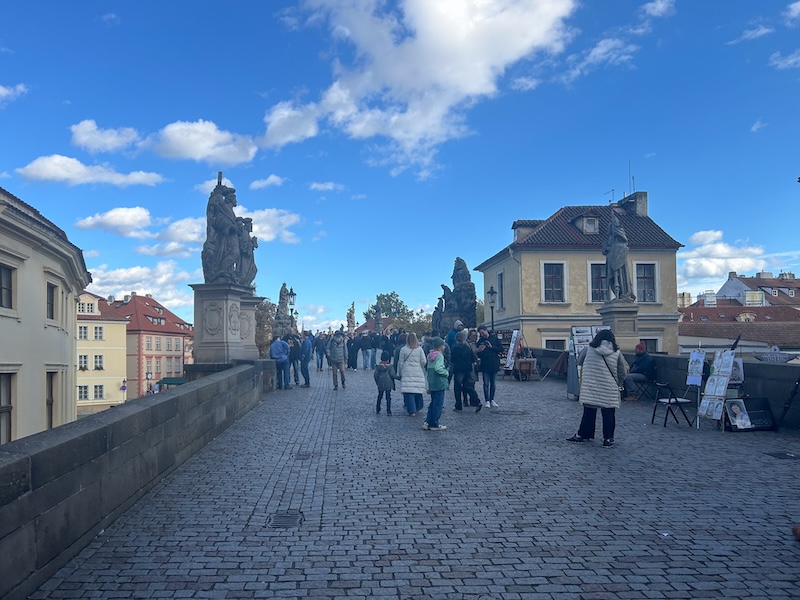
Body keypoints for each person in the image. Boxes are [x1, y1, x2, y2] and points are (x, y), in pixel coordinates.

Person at [567, 329, 628, 448]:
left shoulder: (588, 349)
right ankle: (608, 438)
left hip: (591, 386)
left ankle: (584, 434)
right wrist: (618, 381)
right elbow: (623, 372)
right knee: (608, 413)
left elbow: (579, 362)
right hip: (609, 387)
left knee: (589, 412)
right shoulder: (616, 353)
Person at [397, 332, 427, 416]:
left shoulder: (403, 349)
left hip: (407, 371)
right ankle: (418, 406)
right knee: (417, 390)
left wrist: (400, 373)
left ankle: (412, 410)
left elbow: (400, 363)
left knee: (409, 391)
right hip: (417, 371)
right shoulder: (419, 349)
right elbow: (424, 361)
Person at [451, 331, 482, 412]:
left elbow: (452, 360)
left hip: (458, 370)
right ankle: (477, 401)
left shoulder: (454, 349)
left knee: (457, 388)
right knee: (468, 387)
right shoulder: (468, 348)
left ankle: (458, 405)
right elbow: (473, 358)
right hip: (468, 369)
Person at [423, 337, 449, 431]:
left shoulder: (430, 356)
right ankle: (434, 423)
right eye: (443, 345)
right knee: (438, 404)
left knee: (433, 403)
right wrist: (446, 373)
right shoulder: (439, 356)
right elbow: (438, 368)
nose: (444, 347)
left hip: (432, 382)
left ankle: (427, 421)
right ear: (440, 346)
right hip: (439, 383)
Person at [476, 326, 502, 408]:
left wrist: (491, 347)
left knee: (493, 384)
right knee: (486, 384)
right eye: (480, 334)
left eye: (482, 333)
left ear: (486, 330)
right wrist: (480, 350)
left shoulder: (494, 339)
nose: (482, 335)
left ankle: (492, 399)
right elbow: (477, 353)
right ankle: (487, 400)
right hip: (485, 365)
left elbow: (501, 349)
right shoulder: (480, 341)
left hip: (494, 364)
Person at [374, 350, 399, 415]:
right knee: (388, 397)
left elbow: (375, 375)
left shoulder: (378, 366)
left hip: (380, 383)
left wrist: (377, 382)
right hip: (388, 383)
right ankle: (388, 410)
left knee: (380, 396)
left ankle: (378, 409)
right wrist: (399, 378)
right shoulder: (390, 366)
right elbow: (392, 375)